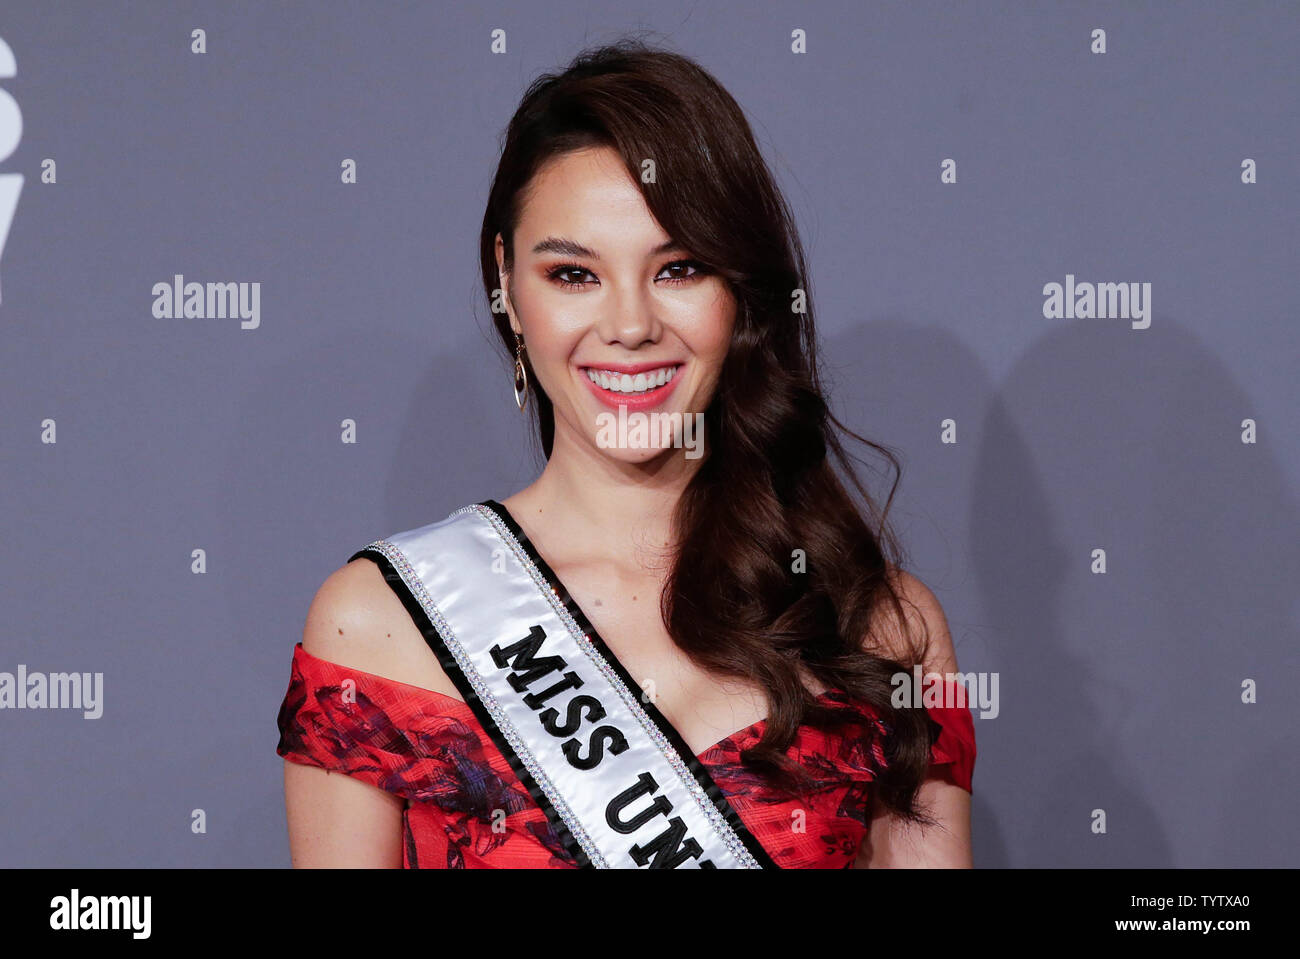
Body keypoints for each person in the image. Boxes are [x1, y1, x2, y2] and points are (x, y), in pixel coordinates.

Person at [276, 38, 975, 869]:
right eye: (574, 274)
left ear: (740, 292)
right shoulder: (380, 624)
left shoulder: (881, 627)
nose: (632, 326)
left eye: (679, 267)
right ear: (506, 283)